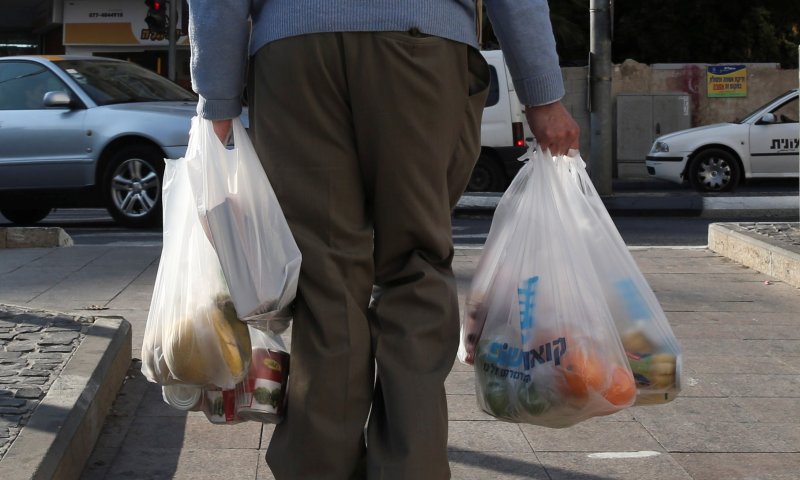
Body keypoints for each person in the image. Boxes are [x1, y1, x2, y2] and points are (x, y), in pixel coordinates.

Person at [187, 1, 579, 478]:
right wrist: (542, 96)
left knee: (324, 277)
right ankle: (410, 468)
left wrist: (219, 96)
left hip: (295, 51)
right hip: (421, 44)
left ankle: (319, 468)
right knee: (416, 264)